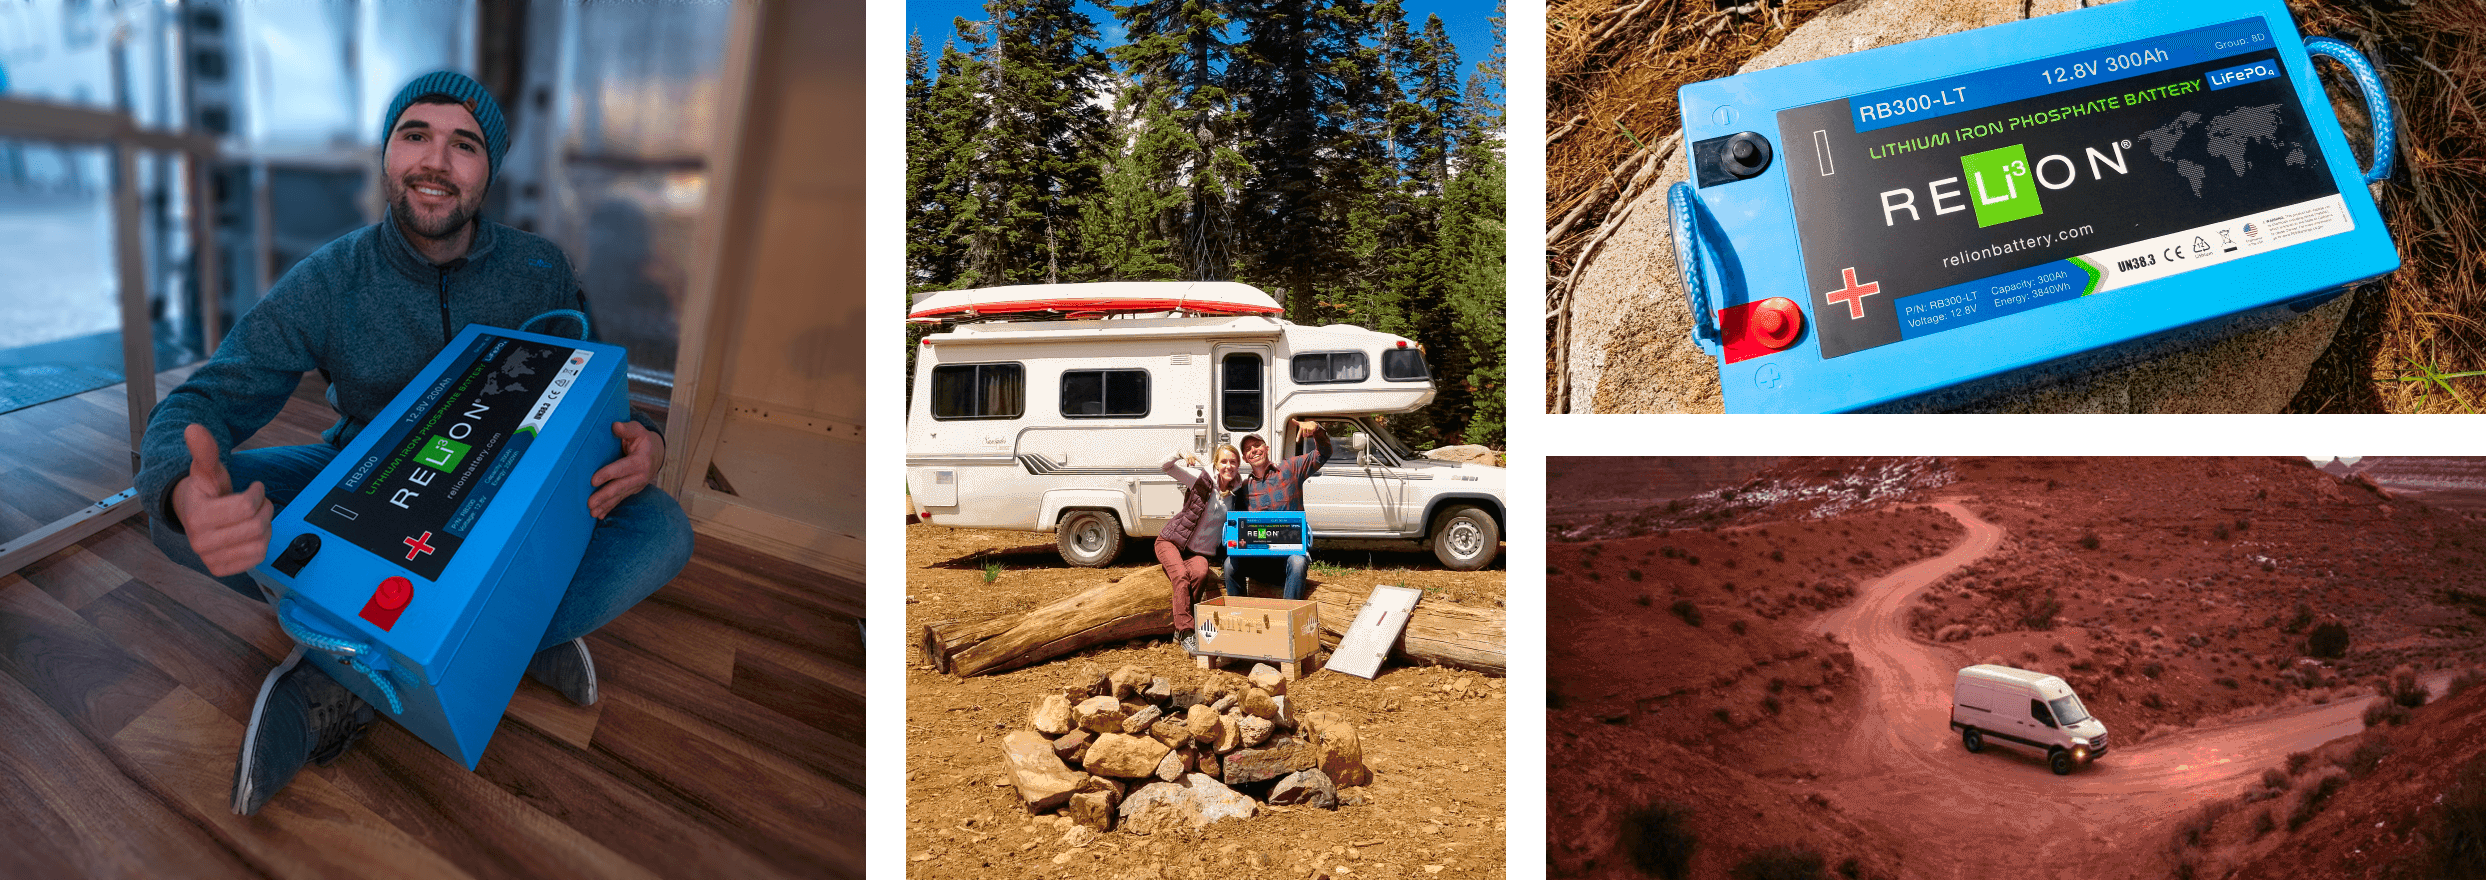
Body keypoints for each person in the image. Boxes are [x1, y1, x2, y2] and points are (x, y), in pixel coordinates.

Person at [136, 71, 694, 816]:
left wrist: (645, 441)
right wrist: (183, 492)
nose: (436, 162)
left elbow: (596, 384)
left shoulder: (539, 268)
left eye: (464, 145)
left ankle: (366, 670)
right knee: (175, 517)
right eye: (415, 135)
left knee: (661, 530)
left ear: (488, 170)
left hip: (508, 495)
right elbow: (200, 403)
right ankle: (509, 634)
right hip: (355, 473)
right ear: (387, 154)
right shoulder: (329, 278)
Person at [1224, 417, 1330, 600]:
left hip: (1288, 556)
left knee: (1298, 561)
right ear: (1245, 458)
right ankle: (1238, 613)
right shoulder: (1243, 488)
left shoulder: (1291, 468)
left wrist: (1317, 430)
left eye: (1257, 445)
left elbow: (1324, 453)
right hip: (1258, 559)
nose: (1253, 450)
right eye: (1248, 449)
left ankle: (1287, 617)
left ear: (1266, 448)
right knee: (1229, 565)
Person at [1157, 445, 1241, 654]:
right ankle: (1187, 632)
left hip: (1198, 553)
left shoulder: (1237, 494)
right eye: (1223, 461)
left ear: (1238, 466)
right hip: (1171, 541)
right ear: (1215, 464)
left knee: (1201, 573)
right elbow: (1166, 467)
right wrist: (1180, 454)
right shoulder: (1201, 481)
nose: (1228, 466)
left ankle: (1182, 629)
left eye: (1233, 462)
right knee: (1182, 577)